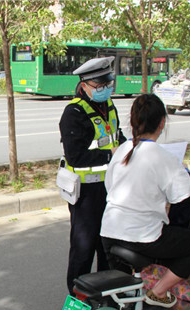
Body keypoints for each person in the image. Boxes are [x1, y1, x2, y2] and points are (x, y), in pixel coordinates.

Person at [100, 94, 190, 307]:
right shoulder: (165, 157)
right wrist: (183, 171)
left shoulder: (122, 150)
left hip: (109, 231)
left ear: (133, 121)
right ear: (162, 123)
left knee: (120, 294)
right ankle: (158, 292)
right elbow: (182, 196)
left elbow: (109, 187)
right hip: (142, 236)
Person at [59, 56, 126, 295]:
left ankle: (104, 294)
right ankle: (77, 298)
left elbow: (118, 138)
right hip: (86, 194)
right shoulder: (73, 113)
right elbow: (76, 157)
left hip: (110, 189)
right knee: (83, 249)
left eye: (108, 85)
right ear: (85, 85)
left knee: (108, 246)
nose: (106, 90)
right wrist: (111, 155)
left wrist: (131, 150)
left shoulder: (108, 106)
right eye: (100, 86)